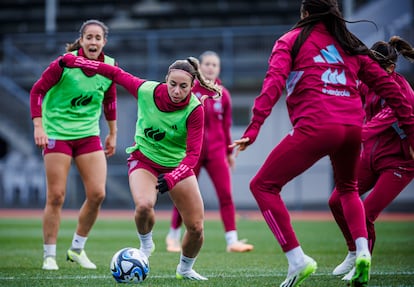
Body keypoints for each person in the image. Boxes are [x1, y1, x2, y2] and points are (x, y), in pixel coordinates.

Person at [229, 1, 414, 287]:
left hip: (316, 127)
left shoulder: (290, 41)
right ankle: (362, 253)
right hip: (353, 129)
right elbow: (395, 91)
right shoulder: (350, 45)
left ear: (304, 13)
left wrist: (254, 129)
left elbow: (273, 84)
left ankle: (297, 260)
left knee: (263, 186)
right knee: (348, 189)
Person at [60, 52, 222, 280]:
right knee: (144, 205)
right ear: (166, 80)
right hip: (144, 159)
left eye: (183, 87)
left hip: (176, 166)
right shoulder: (145, 90)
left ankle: (185, 269)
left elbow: (193, 156)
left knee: (196, 227)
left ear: (192, 86)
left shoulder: (195, 109)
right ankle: (146, 246)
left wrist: (174, 177)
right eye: (172, 84)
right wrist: (77, 61)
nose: (177, 91)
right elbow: (114, 73)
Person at [30, 19, 118, 271]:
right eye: (88, 37)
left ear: (104, 42)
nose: (93, 42)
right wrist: (39, 126)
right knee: (56, 196)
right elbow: (37, 91)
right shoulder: (64, 63)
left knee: (98, 194)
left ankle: (77, 249)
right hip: (57, 133)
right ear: (81, 40)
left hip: (88, 135)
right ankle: (49, 255)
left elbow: (109, 100)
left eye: (97, 38)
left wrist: (112, 133)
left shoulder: (110, 66)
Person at [329, 36, 414, 281]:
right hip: (371, 157)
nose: (369, 72)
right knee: (336, 201)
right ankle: (354, 250)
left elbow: (370, 128)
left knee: (366, 214)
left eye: (374, 68)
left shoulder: (401, 94)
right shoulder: (367, 83)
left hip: (399, 162)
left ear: (391, 69)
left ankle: (363, 262)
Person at [165, 51, 254, 253]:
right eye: (207, 64)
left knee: (226, 195)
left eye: (215, 65)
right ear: (200, 67)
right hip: (191, 154)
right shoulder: (189, 89)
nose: (210, 68)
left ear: (218, 69)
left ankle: (232, 241)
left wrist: (229, 153)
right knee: (184, 195)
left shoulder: (224, 94)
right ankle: (173, 236)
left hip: (216, 153)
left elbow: (226, 126)